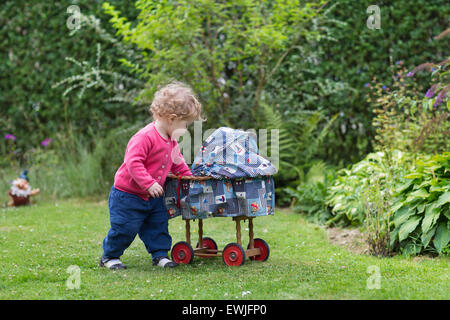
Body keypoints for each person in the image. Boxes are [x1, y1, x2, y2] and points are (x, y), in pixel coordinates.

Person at [100, 81, 203, 269]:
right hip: (128, 195)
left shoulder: (171, 141)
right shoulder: (145, 137)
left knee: (158, 225)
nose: (186, 130)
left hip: (154, 196)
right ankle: (110, 256)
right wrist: (147, 183)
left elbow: (178, 163)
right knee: (124, 228)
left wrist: (190, 179)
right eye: (185, 124)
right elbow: (133, 162)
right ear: (172, 119)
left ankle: (160, 255)